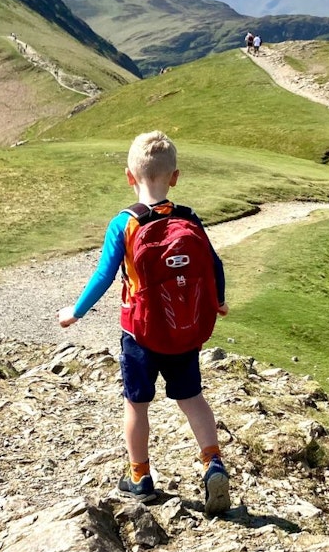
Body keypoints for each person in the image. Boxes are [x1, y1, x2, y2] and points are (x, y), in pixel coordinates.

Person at [57, 131, 232, 514]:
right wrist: (217, 301)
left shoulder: (125, 224)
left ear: (129, 176)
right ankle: (213, 463)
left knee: (137, 405)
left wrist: (76, 312)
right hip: (184, 329)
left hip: (140, 333)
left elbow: (104, 275)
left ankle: (140, 477)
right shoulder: (188, 218)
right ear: (175, 177)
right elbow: (213, 264)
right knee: (193, 399)